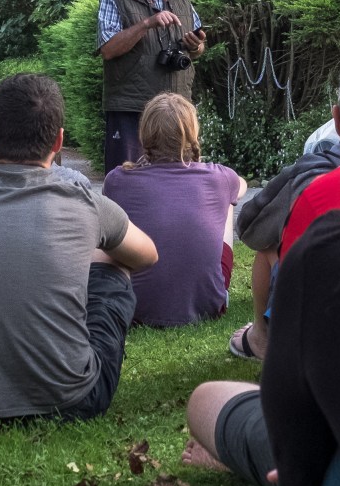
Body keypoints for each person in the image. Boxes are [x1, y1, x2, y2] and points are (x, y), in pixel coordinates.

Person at [183, 22, 340, 486]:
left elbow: (295, 419)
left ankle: (255, 341)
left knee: (211, 401)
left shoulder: (328, 233)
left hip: (333, 456)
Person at [0, 73, 158, 421]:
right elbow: (147, 255)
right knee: (114, 265)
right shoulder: (84, 203)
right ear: (59, 141)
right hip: (71, 400)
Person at [231, 63, 340, 360]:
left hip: (319, 339)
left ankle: (261, 339)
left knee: (269, 242)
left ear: (337, 120)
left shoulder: (312, 175)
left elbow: (250, 225)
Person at [103, 92, 247, 326]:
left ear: (145, 134)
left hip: (136, 308)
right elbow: (241, 186)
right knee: (228, 203)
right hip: (208, 307)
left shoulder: (117, 180)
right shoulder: (222, 177)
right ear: (192, 133)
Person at [98, 0, 206, 174]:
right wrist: (146, 24)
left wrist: (196, 46)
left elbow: (198, 50)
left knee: (180, 179)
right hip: (131, 108)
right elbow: (108, 49)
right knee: (126, 177)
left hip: (176, 109)